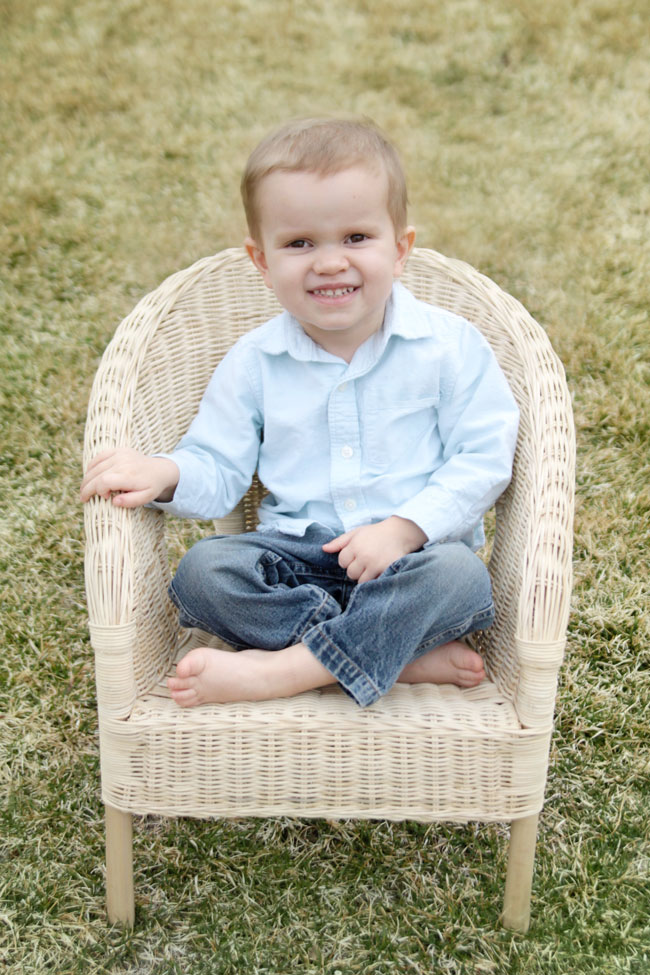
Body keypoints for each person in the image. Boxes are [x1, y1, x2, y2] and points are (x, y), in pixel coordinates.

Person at [80, 117, 519, 709]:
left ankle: (282, 671)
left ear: (401, 250)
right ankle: (391, 656)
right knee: (203, 573)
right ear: (261, 260)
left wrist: (404, 529)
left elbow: (484, 457)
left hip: (410, 560)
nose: (330, 262)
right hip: (295, 562)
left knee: (460, 577)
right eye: (300, 243)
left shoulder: (449, 346)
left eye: (357, 238)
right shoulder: (255, 361)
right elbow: (219, 464)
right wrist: (167, 474)